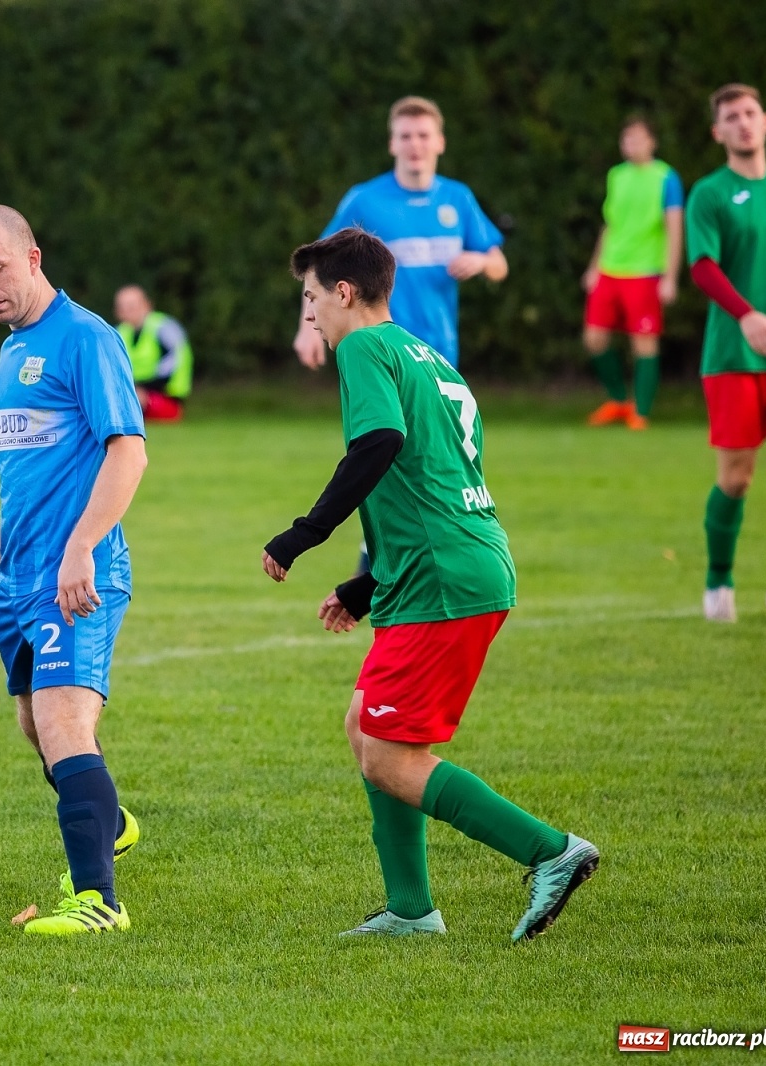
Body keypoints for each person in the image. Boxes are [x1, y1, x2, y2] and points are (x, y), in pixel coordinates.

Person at [263, 227, 597, 941]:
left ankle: (551, 852)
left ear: (344, 292)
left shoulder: (363, 349)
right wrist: (365, 586)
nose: (310, 313)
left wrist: (305, 533)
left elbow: (379, 445)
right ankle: (411, 911)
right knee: (365, 724)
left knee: (388, 753)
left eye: (312, 297)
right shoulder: (426, 352)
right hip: (446, 564)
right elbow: (427, 480)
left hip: (445, 576)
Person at [0, 204, 147, 937]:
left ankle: (99, 902)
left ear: (33, 257)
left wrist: (81, 547)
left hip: (77, 576)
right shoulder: (11, 354)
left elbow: (127, 452)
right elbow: (33, 476)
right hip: (21, 576)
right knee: (38, 726)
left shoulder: (85, 339)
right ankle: (110, 823)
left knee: (65, 722)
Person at [294, 96, 508, 373]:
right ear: (392, 144)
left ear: (440, 142)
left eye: (423, 135)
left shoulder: (458, 198)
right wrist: (308, 327)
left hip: (440, 347)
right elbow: (317, 263)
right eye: (405, 136)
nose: (415, 144)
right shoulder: (364, 200)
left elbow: (499, 265)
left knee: (432, 418)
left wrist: (480, 262)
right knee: (385, 417)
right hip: (382, 343)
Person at [684, 84, 766, 621]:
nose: (743, 123)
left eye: (750, 113)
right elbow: (702, 265)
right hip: (733, 357)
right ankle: (719, 583)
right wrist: (746, 314)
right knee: (737, 478)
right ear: (717, 132)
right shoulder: (711, 194)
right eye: (731, 117)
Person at [581, 117, 684, 430]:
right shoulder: (617, 175)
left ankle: (641, 410)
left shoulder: (666, 177)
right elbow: (610, 224)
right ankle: (617, 400)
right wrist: (594, 266)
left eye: (638, 139)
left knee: (644, 342)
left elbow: (674, 228)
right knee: (594, 338)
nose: (631, 145)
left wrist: (670, 276)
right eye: (626, 140)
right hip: (611, 268)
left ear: (652, 142)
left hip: (645, 271)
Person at [113, 284, 193, 422]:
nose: (126, 311)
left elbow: (174, 364)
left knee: (133, 400)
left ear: (147, 305)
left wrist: (141, 387)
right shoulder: (119, 332)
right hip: (132, 393)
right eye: (122, 307)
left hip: (165, 397)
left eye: (131, 306)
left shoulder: (164, 328)